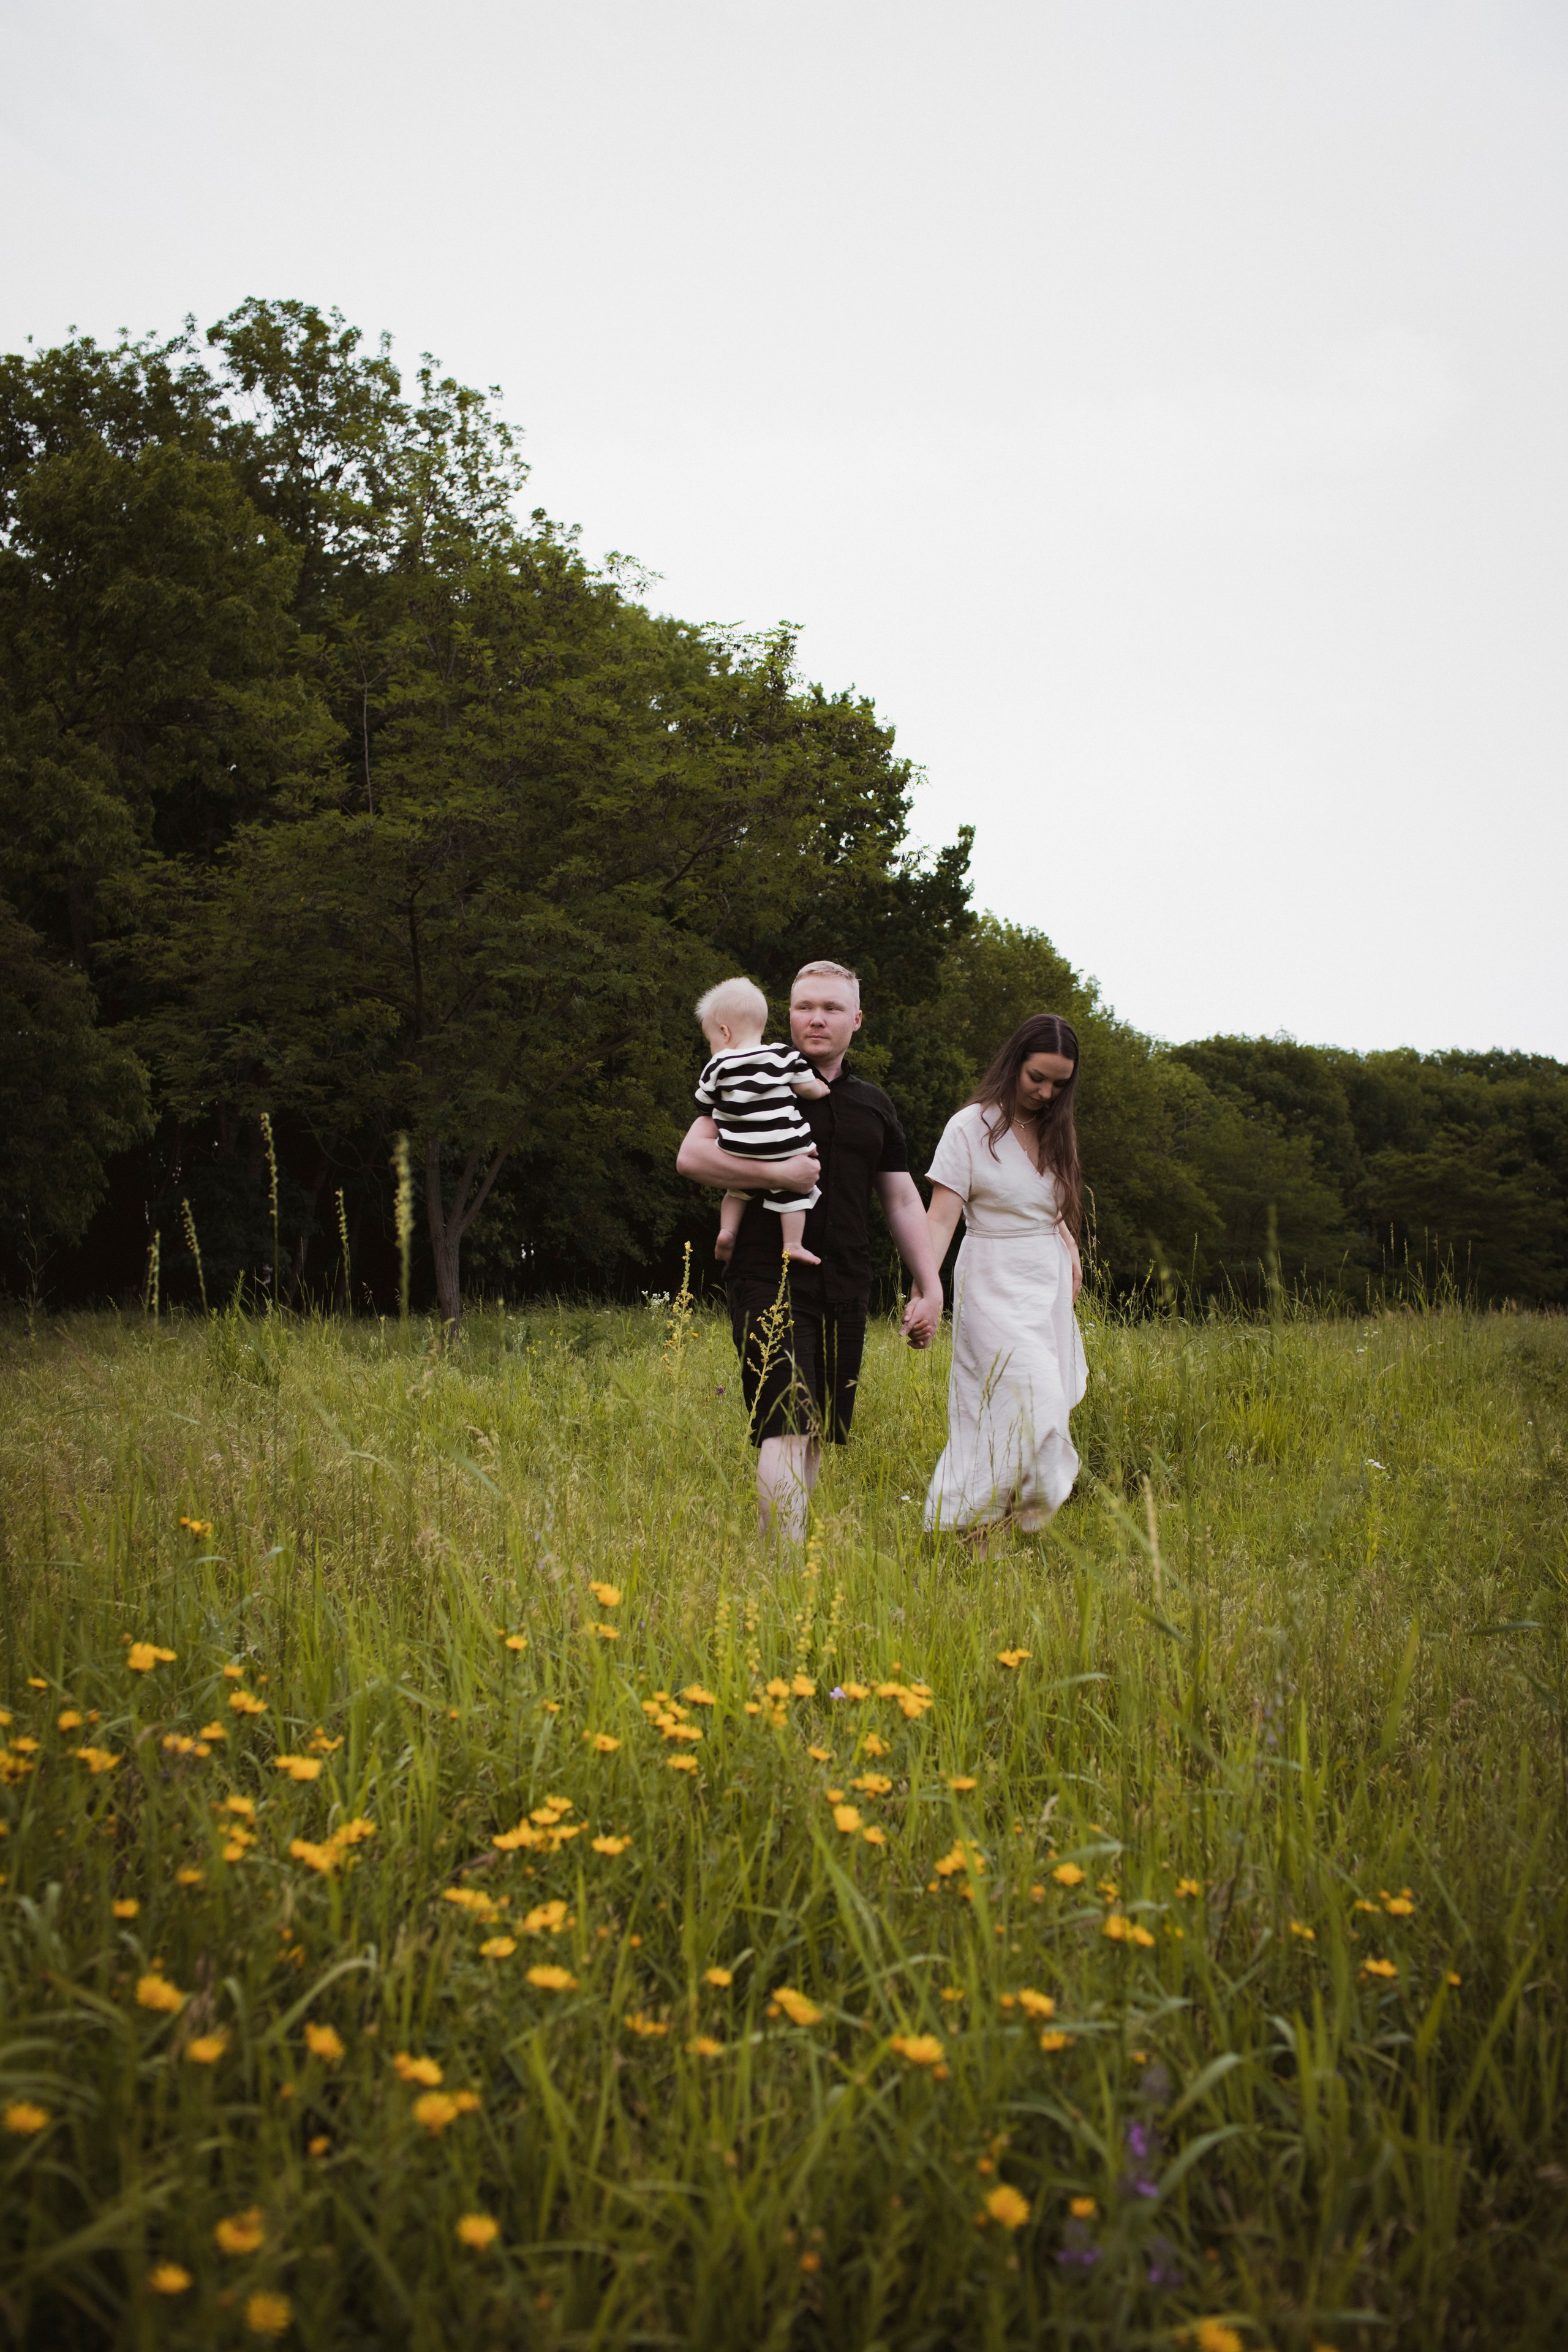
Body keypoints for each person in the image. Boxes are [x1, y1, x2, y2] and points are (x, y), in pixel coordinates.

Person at [676, 960, 943, 1541]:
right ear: (788, 1013)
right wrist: (777, 1170)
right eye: (804, 1007)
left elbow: (900, 1200)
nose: (815, 1019)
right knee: (786, 1422)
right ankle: (781, 1573)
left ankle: (792, 1568)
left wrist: (932, 1284)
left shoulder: (874, 1105)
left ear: (856, 1019)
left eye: (830, 1008)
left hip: (845, 1281)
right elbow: (692, 1157)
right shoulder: (750, 1076)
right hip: (765, 1273)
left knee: (816, 1426)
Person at [922, 1014, 1088, 1541]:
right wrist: (927, 1292)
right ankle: (965, 1518)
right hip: (992, 1280)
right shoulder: (969, 1127)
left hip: (1048, 1287)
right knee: (1026, 1400)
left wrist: (1070, 1245)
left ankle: (989, 1536)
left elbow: (1052, 1205)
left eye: (1059, 1083)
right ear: (1015, 1062)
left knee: (1034, 1411)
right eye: (1037, 1077)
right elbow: (940, 1218)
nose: (1046, 1091)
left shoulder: (1057, 1129)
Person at [693, 975, 830, 1267]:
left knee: (736, 1189)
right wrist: (822, 1089)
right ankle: (793, 1244)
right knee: (793, 1190)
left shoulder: (718, 1064)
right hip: (785, 1145)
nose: (712, 1047)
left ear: (724, 1032)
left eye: (711, 1041)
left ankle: (727, 1232)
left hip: (737, 1147)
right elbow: (808, 1088)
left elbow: (704, 1102)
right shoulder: (783, 1055)